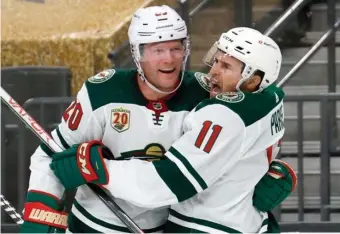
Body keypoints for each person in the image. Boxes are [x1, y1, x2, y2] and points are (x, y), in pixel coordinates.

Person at [20, 5, 294, 233]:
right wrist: (41, 208)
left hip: (165, 226)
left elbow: (255, 103)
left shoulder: (207, 94)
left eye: (176, 48)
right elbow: (49, 152)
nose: (169, 59)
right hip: (97, 226)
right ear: (138, 54)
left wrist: (262, 167)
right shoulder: (102, 91)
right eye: (157, 50)